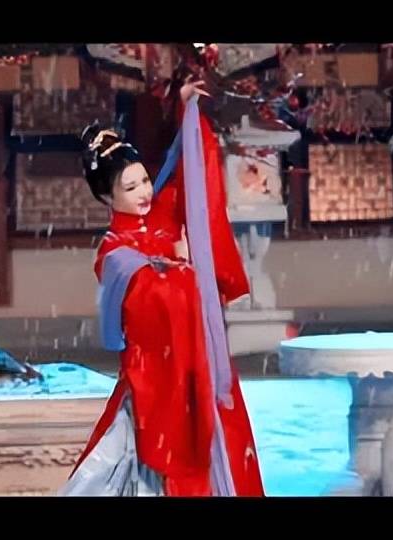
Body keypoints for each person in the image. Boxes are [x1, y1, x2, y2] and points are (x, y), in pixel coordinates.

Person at [60, 79, 264, 496]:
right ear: (106, 197)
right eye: (130, 187)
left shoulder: (163, 213)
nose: (144, 193)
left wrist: (187, 113)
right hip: (158, 390)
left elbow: (195, 177)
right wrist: (185, 267)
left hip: (197, 375)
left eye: (144, 181)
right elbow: (158, 306)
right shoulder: (114, 254)